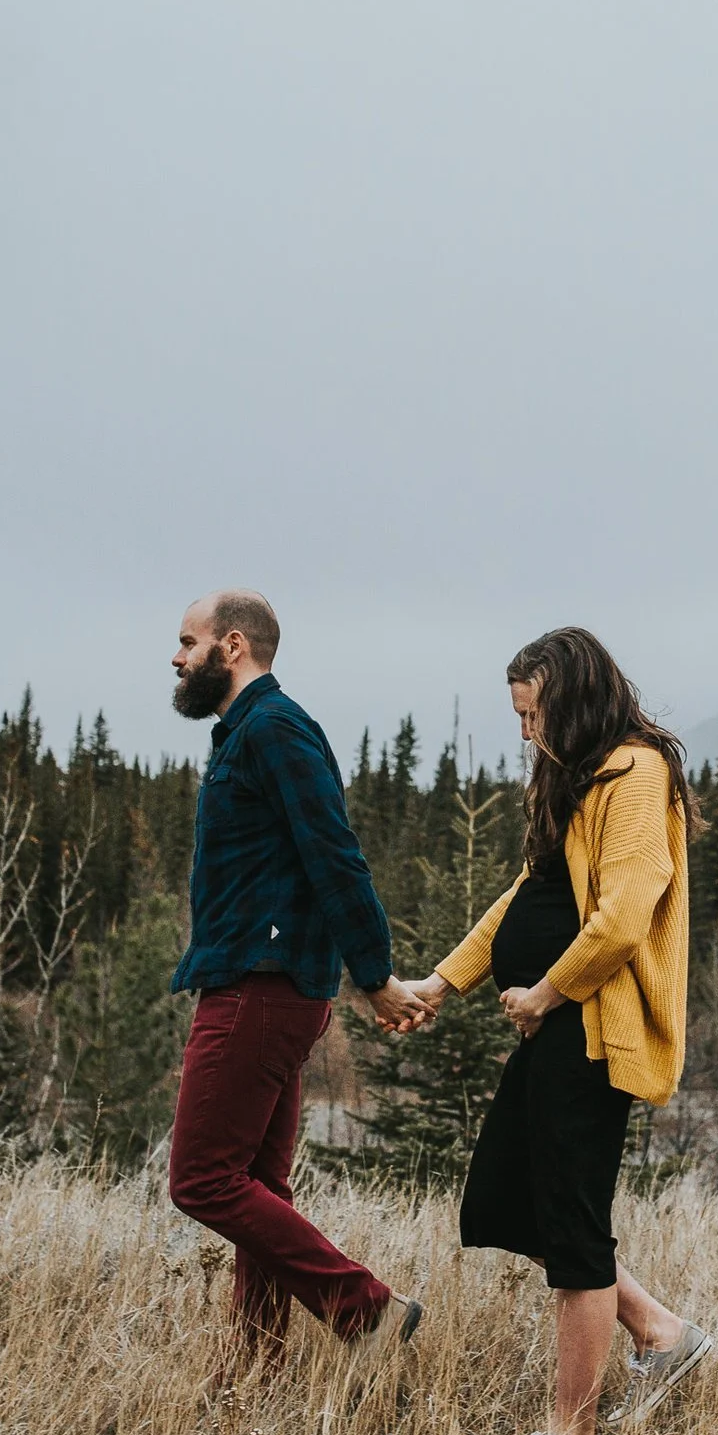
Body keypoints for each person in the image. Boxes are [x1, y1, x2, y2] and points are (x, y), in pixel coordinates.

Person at [389, 626, 716, 1435]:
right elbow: (527, 896)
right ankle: (660, 1331)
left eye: (532, 714)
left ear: (569, 700)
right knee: (509, 1196)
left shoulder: (635, 773)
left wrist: (545, 991)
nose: (526, 732)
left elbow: (625, 911)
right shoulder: (575, 781)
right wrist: (443, 982)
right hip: (558, 1028)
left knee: (571, 1228)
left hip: (591, 1032)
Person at [165, 589, 429, 1375]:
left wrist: (375, 973)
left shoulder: (275, 728)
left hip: (261, 985)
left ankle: (365, 1308)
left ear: (233, 645)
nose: (176, 657)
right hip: (266, 983)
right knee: (257, 1186)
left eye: (187, 640)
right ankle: (256, 1369)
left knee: (203, 1179)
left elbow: (334, 852)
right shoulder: (247, 732)